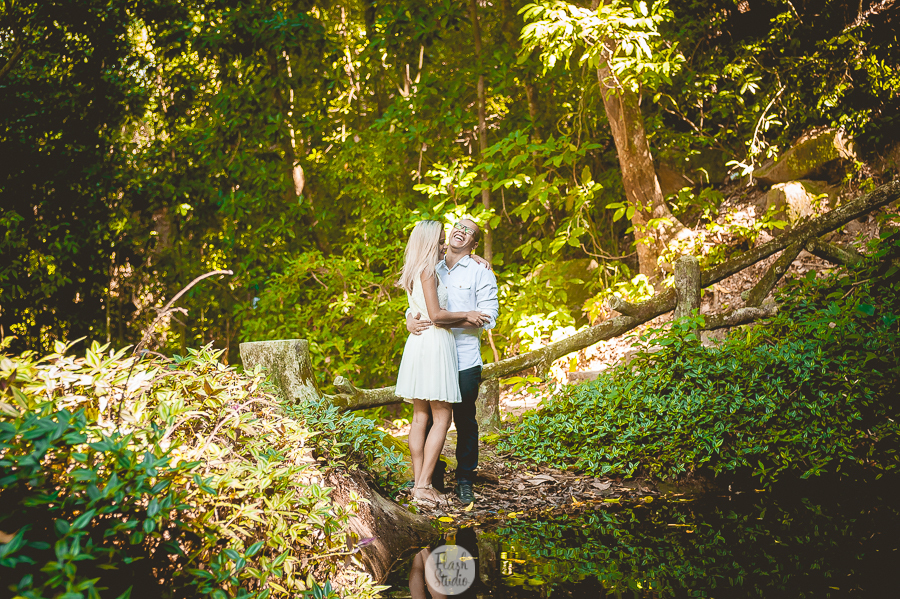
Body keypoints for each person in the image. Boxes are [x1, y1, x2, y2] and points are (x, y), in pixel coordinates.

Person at [395, 220, 491, 508]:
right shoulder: (430, 267)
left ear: (474, 243)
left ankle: (456, 479)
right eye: (440, 238)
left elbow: (488, 314)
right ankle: (424, 484)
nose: (444, 241)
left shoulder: (476, 270)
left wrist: (475, 256)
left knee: (428, 417)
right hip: (435, 345)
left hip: (444, 350)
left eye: (468, 232)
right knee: (440, 418)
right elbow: (433, 314)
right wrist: (411, 319)